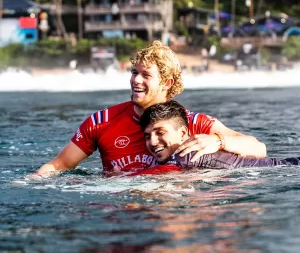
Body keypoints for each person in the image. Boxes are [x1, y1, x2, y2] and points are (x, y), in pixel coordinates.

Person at [33, 40, 266, 177]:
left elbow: (258, 148)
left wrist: (218, 141)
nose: (136, 80)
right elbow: (59, 166)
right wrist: (30, 184)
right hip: (122, 209)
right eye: (134, 73)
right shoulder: (102, 122)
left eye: (146, 75)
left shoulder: (190, 122)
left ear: (166, 83)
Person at [134, 100, 300, 175]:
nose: (153, 142)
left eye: (160, 133)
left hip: (288, 168)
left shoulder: (187, 156)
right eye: (147, 136)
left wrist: (122, 178)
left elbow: (155, 177)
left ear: (183, 133)